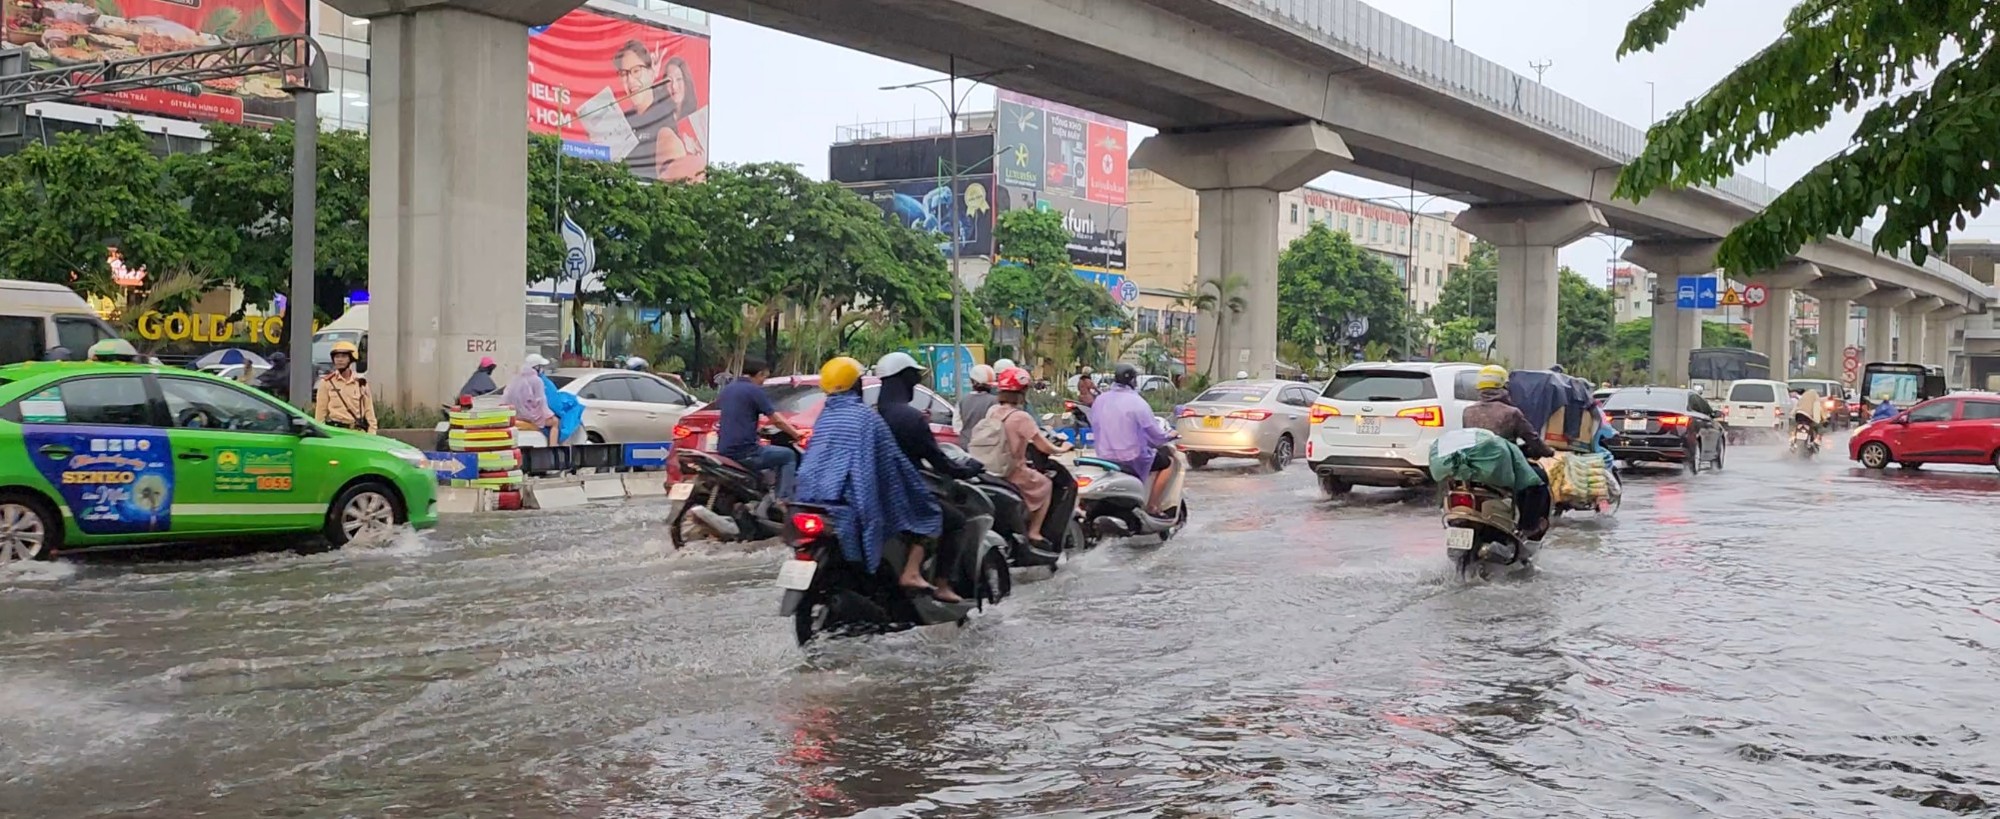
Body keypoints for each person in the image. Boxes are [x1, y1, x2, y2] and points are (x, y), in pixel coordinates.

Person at [793, 357, 953, 601]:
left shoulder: (825, 417)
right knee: (929, 512)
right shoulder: (867, 418)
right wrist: (913, 487)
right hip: (850, 496)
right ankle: (911, 573)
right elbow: (891, 463)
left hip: (814, 496)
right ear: (856, 384)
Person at [1460, 365, 1553, 539]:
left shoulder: (1468, 412)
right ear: (1504, 387)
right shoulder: (1511, 413)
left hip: (1474, 469)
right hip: (1503, 469)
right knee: (1539, 481)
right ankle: (1529, 526)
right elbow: (1532, 439)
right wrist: (1548, 452)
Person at [986, 367, 1071, 545]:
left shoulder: (993, 411)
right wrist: (1063, 449)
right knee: (1046, 484)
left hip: (990, 470)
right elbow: (1044, 446)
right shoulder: (1021, 417)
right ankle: (1034, 531)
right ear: (1023, 392)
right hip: (1013, 471)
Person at [1088, 364, 1176, 514]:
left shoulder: (1100, 400)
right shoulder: (1138, 403)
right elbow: (1155, 435)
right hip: (1132, 457)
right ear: (1133, 381)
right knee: (1168, 463)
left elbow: (1095, 424)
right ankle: (1152, 506)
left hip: (1103, 455)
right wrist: (1169, 436)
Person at [715, 358, 804, 498]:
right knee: (788, 455)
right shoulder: (754, 391)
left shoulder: (728, 389)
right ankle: (783, 500)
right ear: (760, 374)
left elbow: (738, 415)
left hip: (723, 450)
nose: (764, 382)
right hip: (746, 452)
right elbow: (776, 420)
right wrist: (796, 433)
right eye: (765, 377)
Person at [314, 340, 377, 433]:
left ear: (351, 359)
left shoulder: (360, 383)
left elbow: (369, 411)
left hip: (357, 432)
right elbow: (320, 414)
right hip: (336, 432)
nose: (339, 359)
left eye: (343, 356)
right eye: (337, 357)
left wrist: (372, 432)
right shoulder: (327, 383)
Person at [504, 354, 557, 441]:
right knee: (555, 422)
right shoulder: (537, 380)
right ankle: (553, 447)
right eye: (541, 366)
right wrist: (549, 415)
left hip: (515, 416)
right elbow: (541, 402)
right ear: (536, 367)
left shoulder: (515, 379)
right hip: (530, 417)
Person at [957, 364, 999, 432]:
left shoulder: (963, 400)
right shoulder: (995, 401)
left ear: (972, 381)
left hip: (966, 440)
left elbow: (957, 425)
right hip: (987, 440)